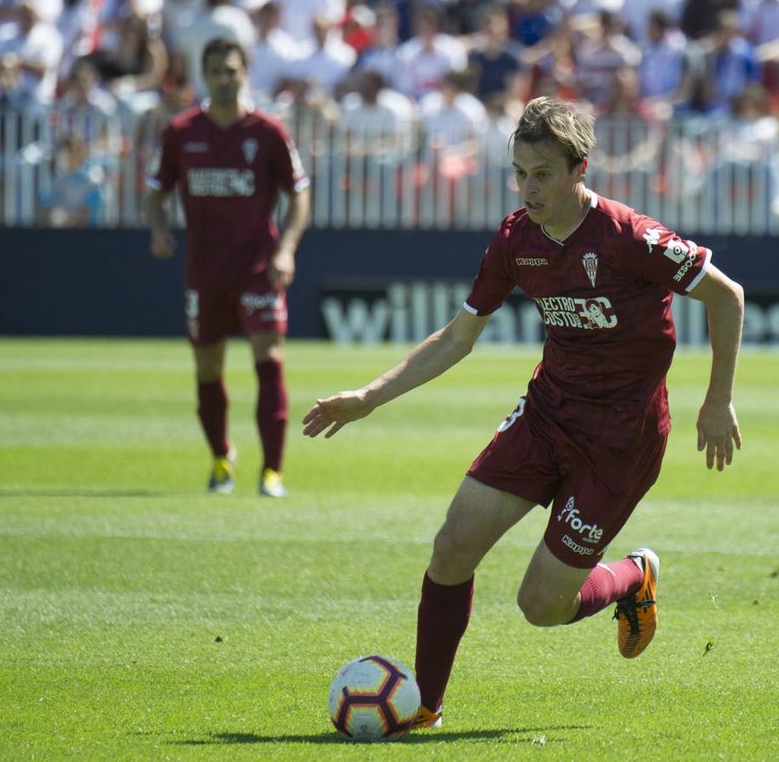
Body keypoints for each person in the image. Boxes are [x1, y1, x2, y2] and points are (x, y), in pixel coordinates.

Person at [302, 96, 744, 727]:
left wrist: (717, 400)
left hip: (620, 442)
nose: (528, 188)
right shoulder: (516, 238)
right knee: (452, 547)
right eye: (519, 173)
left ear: (579, 170)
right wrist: (369, 397)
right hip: (546, 417)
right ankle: (426, 705)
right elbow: (458, 337)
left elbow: (727, 296)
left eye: (542, 174)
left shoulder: (630, 237)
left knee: (540, 605)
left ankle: (633, 576)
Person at [145, 37, 311, 498]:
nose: (224, 79)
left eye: (232, 71)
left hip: (259, 265)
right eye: (216, 71)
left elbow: (299, 194)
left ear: (245, 74)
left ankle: (272, 471)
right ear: (204, 75)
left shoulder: (268, 132)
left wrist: (286, 249)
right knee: (207, 368)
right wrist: (158, 229)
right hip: (205, 270)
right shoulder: (181, 132)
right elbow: (155, 192)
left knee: (269, 358)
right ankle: (221, 457)